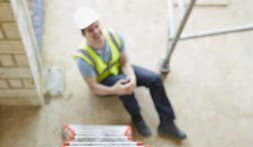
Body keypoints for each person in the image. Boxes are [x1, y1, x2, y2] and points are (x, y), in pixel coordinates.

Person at [73, 7, 186, 139]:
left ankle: (167, 123)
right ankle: (136, 117)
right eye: (90, 30)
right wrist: (114, 90)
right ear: (83, 34)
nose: (96, 31)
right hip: (104, 82)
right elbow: (94, 88)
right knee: (125, 85)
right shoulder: (83, 58)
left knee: (154, 79)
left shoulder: (114, 37)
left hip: (120, 69)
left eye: (96, 26)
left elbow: (125, 63)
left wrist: (132, 77)